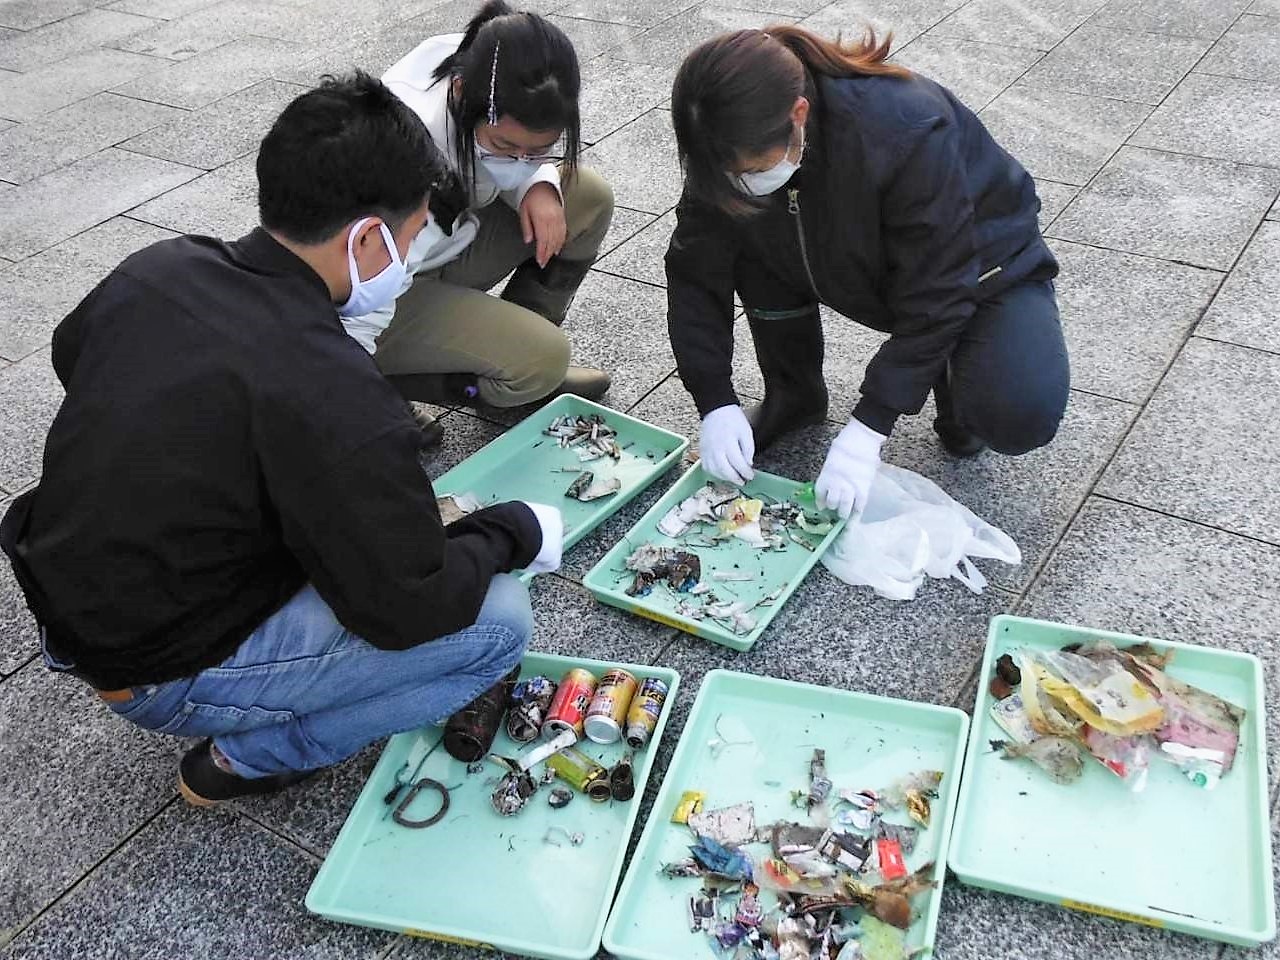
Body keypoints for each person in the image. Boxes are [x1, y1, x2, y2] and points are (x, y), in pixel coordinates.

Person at [0, 73, 565, 806]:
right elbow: (407, 608)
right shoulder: (334, 386)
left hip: (79, 601)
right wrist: (514, 531)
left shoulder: (162, 266)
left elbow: (69, 354)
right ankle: (252, 757)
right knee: (498, 626)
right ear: (366, 239)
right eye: (416, 231)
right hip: (156, 665)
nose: (417, 247)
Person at [665, 26, 1070, 517]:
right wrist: (714, 400)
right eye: (727, 174)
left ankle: (956, 370)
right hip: (850, 259)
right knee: (744, 223)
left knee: (1016, 411)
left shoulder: (907, 128)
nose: (741, 182)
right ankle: (794, 396)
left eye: (751, 169)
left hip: (986, 269)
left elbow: (939, 289)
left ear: (799, 116)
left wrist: (869, 427)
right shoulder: (723, 136)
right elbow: (694, 269)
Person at [345, 0, 615, 440]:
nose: (522, 162)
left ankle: (518, 363)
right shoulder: (406, 152)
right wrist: (345, 392)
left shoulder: (484, 65)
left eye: (540, 149)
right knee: (543, 359)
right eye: (506, 147)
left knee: (585, 196)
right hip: (372, 297)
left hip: (439, 242)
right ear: (458, 94)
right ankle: (388, 389)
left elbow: (517, 150)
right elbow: (360, 294)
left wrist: (539, 183)